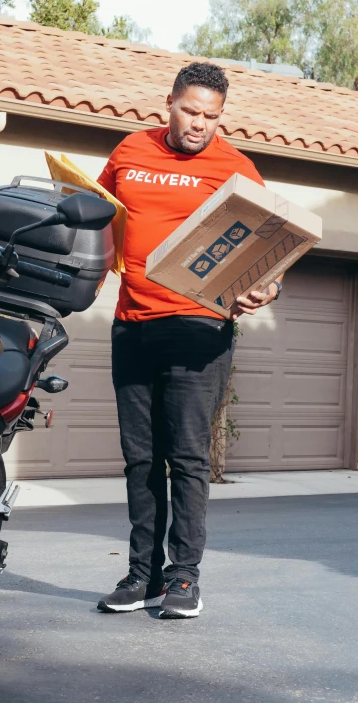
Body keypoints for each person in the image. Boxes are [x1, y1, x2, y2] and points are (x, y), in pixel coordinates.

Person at [96, 62, 283, 619]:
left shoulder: (235, 167)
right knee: (139, 460)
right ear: (170, 103)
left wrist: (266, 285)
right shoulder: (129, 151)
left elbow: (268, 248)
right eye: (191, 111)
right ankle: (142, 575)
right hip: (132, 323)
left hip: (199, 328)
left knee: (186, 457)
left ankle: (183, 579)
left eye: (211, 117)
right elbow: (96, 216)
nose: (200, 124)